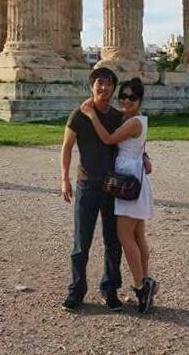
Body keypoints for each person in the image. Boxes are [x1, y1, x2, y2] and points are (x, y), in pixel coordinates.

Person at [60, 66, 152, 313]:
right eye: (99, 83)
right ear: (91, 86)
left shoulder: (116, 116)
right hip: (87, 184)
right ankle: (76, 291)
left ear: (113, 88)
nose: (104, 88)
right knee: (82, 242)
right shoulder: (78, 115)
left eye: (109, 84)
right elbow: (67, 147)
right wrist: (64, 179)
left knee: (113, 243)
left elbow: (130, 140)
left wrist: (145, 157)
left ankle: (110, 290)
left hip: (113, 187)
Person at [80, 77, 158, 314]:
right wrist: (144, 156)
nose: (125, 100)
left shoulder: (134, 121)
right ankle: (146, 280)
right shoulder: (130, 119)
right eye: (122, 96)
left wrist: (91, 114)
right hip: (131, 179)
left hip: (128, 184)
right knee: (137, 234)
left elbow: (108, 139)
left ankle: (140, 286)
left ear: (140, 99)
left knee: (125, 236)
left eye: (131, 97)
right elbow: (134, 145)